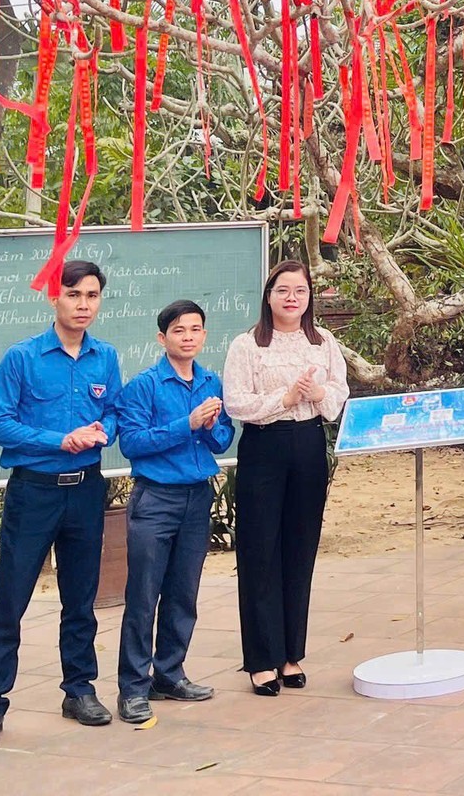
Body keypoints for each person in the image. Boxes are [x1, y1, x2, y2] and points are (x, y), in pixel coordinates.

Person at [0, 259, 122, 752]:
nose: (83, 305)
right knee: (10, 599)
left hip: (87, 490)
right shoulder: (23, 357)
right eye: (74, 295)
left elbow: (115, 410)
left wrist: (102, 431)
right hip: (34, 490)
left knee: (82, 598)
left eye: (92, 296)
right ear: (54, 297)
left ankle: (79, 690)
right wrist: (62, 439)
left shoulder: (106, 357)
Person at [223, 259, 349, 693]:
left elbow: (338, 394)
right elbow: (236, 403)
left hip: (310, 447)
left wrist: (318, 395)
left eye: (299, 290)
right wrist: (286, 397)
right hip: (264, 447)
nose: (292, 298)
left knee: (300, 550)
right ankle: (261, 659)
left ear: (309, 296)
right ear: (269, 296)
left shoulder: (324, 341)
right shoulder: (247, 345)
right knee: (260, 552)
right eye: (283, 290)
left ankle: (291, 653)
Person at [113, 299, 236, 723]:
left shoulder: (210, 380)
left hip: (197, 497)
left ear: (204, 335)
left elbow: (222, 440)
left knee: (184, 592)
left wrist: (212, 424)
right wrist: (186, 423)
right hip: (156, 498)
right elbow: (131, 443)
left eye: (196, 329)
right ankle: (132, 687)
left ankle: (169, 673)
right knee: (144, 594)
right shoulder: (144, 385)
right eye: (179, 331)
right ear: (162, 338)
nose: (188, 337)